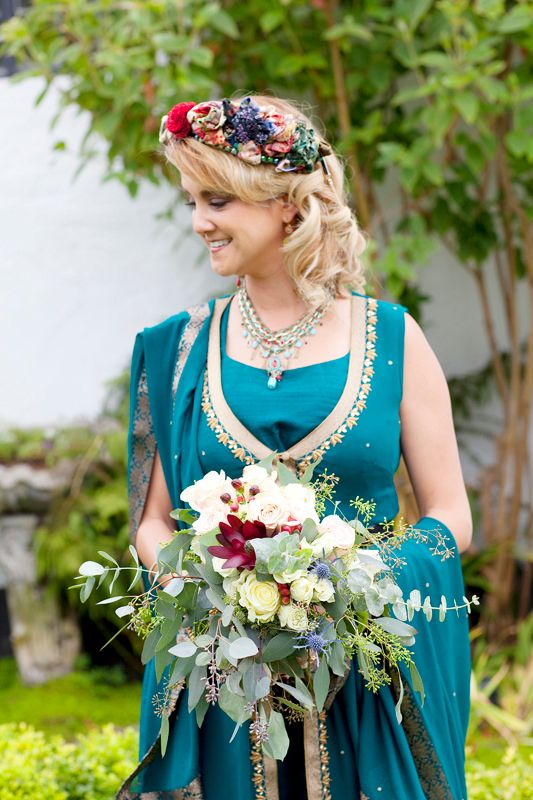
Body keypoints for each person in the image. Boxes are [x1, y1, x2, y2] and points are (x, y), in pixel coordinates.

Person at [118, 95, 472, 800]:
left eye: (217, 199)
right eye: (192, 199)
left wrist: (345, 590)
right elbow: (152, 523)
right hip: (220, 684)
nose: (199, 222)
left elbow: (449, 515)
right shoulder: (174, 351)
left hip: (367, 684)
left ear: (285, 203)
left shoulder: (393, 340)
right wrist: (212, 594)